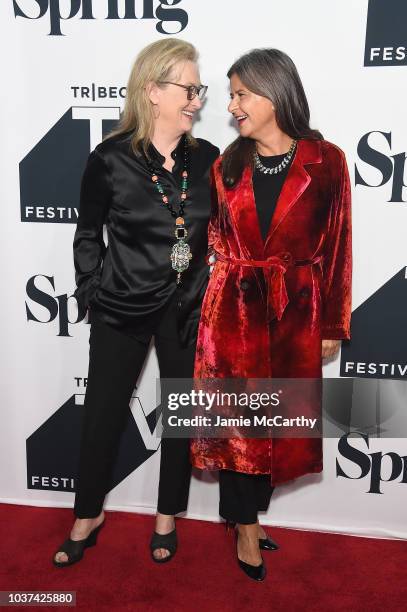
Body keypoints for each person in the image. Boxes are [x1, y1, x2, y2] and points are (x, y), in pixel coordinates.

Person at [53, 38, 219, 567]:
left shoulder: (210, 159)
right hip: (120, 307)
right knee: (101, 414)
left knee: (178, 416)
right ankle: (88, 514)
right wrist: (91, 292)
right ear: (152, 90)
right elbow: (87, 234)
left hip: (187, 309)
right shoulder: (108, 158)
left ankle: (167, 515)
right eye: (188, 88)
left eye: (199, 89)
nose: (197, 98)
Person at [191, 48, 352, 581]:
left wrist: (333, 324)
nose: (232, 105)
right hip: (232, 310)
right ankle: (243, 526)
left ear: (274, 92)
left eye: (241, 93)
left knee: (277, 426)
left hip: (295, 314)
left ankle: (248, 516)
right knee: (237, 423)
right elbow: (213, 237)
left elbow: (337, 247)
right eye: (231, 95)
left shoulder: (326, 160)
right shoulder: (225, 164)